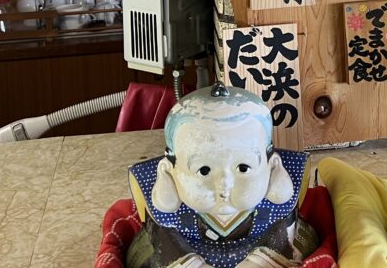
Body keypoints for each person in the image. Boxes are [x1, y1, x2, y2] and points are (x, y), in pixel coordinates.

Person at [124, 84, 317, 268]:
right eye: (204, 170)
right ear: (169, 170)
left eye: (243, 168)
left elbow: (297, 241)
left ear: (272, 165)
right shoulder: (168, 220)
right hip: (187, 252)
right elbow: (151, 249)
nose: (224, 185)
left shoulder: (278, 212)